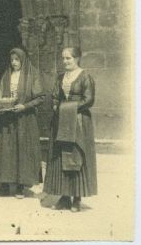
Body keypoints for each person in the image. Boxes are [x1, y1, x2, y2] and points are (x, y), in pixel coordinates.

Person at [43, 47, 97, 212]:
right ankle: (65, 196)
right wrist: (54, 104)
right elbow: (55, 95)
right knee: (61, 157)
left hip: (79, 121)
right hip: (61, 121)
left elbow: (89, 100)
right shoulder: (61, 77)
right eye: (63, 58)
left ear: (77, 58)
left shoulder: (85, 77)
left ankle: (77, 198)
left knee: (76, 156)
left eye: (69, 58)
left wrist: (68, 108)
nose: (65, 61)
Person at [0, 47, 45, 199]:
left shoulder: (32, 74)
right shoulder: (7, 74)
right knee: (7, 151)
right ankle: (5, 186)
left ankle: (21, 187)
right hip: (8, 119)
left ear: (23, 60)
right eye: (12, 60)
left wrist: (24, 106)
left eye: (17, 60)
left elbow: (40, 97)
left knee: (23, 150)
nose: (14, 63)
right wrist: (1, 107)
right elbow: (0, 93)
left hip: (24, 119)